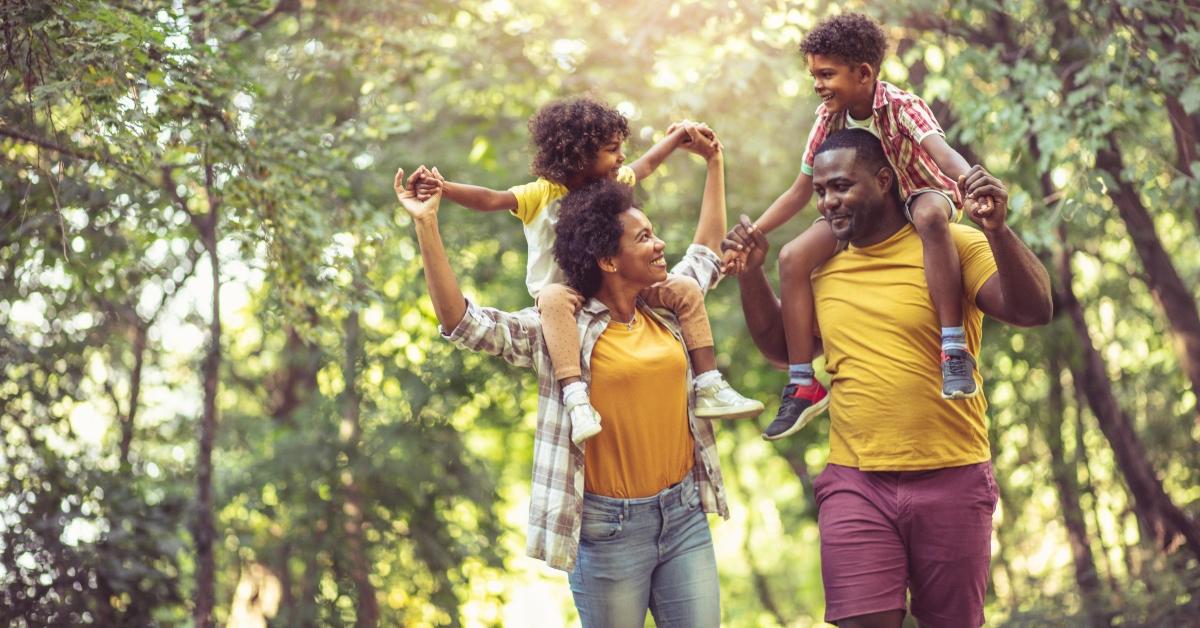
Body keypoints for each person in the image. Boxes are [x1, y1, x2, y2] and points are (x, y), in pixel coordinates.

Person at [395, 128, 731, 627]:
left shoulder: (669, 307)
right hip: (608, 530)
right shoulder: (560, 331)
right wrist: (427, 225)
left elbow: (706, 252)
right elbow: (461, 322)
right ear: (608, 259)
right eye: (644, 238)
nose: (660, 244)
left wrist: (715, 165)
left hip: (683, 516)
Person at [725, 128, 1052, 628]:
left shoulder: (951, 244)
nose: (828, 203)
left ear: (883, 180)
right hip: (856, 482)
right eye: (821, 192)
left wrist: (998, 231)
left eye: (841, 187)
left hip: (954, 475)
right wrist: (751, 274)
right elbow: (779, 350)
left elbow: (1033, 309)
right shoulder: (821, 268)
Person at [412, 96, 761, 447]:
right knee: (553, 297)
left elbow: (650, 166)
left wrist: (687, 141)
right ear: (579, 155)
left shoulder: (618, 194)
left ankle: (710, 383)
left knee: (684, 286)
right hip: (562, 300)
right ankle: (576, 398)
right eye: (612, 149)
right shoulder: (542, 194)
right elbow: (489, 200)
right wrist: (441, 192)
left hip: (680, 496)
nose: (621, 157)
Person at [740, 13, 996, 440]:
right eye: (814, 75)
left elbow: (942, 152)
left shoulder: (902, 106)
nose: (818, 84)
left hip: (921, 192)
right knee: (791, 257)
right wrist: (755, 231)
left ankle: (953, 349)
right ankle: (803, 381)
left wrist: (973, 182)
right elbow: (801, 191)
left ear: (863, 73)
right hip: (865, 207)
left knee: (931, 217)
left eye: (827, 74)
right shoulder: (828, 118)